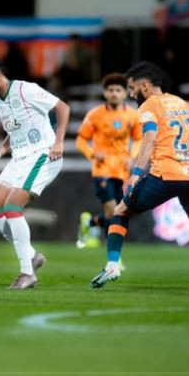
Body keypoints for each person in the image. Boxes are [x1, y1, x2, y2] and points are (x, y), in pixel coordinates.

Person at [91, 61, 189, 289]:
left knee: (121, 211)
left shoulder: (149, 106)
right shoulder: (182, 103)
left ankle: (112, 266)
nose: (130, 93)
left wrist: (136, 173)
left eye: (132, 87)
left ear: (144, 86)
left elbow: (150, 138)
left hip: (166, 174)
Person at [0, 54, 70, 289]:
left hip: (43, 154)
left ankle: (27, 273)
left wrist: (59, 142)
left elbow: (62, 107)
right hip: (19, 158)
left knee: (12, 207)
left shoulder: (26, 90)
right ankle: (32, 256)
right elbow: (13, 134)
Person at [75, 73, 142, 249]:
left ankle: (90, 223)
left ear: (125, 93)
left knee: (121, 213)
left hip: (122, 170)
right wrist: (92, 154)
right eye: (110, 90)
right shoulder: (95, 115)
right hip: (102, 169)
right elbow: (80, 140)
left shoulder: (132, 115)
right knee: (112, 210)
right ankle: (113, 255)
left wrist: (132, 157)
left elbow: (139, 139)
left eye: (118, 90)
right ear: (105, 93)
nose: (114, 93)